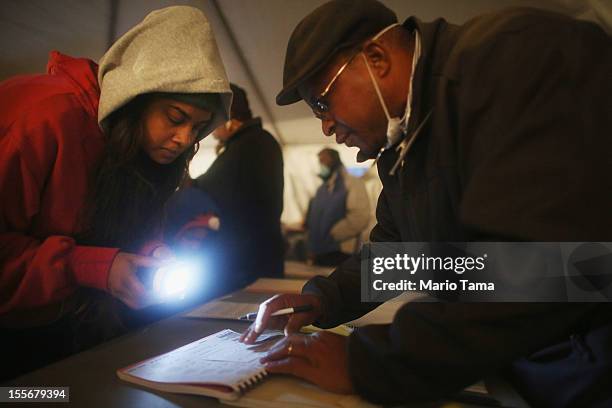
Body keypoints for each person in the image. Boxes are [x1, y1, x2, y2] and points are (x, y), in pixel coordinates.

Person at [240, 1, 612, 406]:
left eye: (322, 103)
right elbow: (402, 257)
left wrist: (370, 362)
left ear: (377, 59)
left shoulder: (516, 57)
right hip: (519, 365)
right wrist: (325, 298)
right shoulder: (403, 141)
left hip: (588, 366)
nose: (326, 126)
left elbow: (542, 268)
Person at [0, 6, 231, 380]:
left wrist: (150, 250)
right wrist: (96, 267)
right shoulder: (41, 118)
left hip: (73, 333)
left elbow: (123, 223)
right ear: (133, 97)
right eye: (175, 118)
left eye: (199, 127)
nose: (185, 139)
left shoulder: (142, 147)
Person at [193, 83, 284, 292]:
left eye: (214, 124)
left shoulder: (247, 147)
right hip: (259, 256)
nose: (213, 134)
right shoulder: (260, 141)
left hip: (246, 264)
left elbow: (209, 188)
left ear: (230, 120)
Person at [305, 148, 369, 266]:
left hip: (341, 252)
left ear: (335, 160)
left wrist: (333, 234)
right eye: (320, 161)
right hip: (320, 251)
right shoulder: (322, 188)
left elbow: (359, 217)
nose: (321, 165)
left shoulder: (351, 183)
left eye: (324, 160)